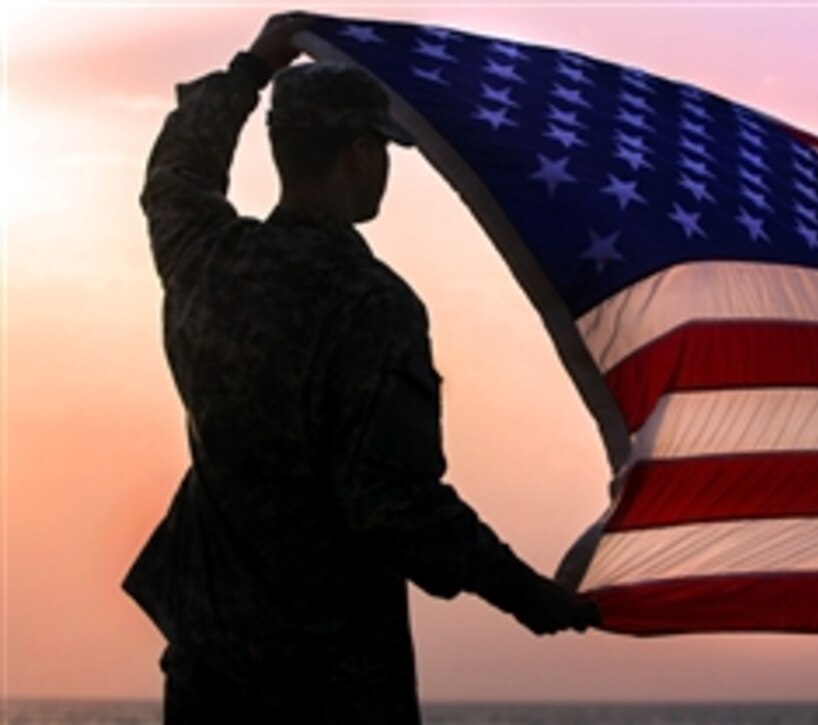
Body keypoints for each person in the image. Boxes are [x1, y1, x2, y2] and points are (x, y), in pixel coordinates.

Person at [123, 13, 598, 723]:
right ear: (355, 154)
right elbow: (393, 501)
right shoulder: (372, 304)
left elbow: (177, 171)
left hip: (208, 670)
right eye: (382, 146)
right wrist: (527, 593)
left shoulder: (205, 261)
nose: (385, 164)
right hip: (328, 683)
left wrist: (252, 70)